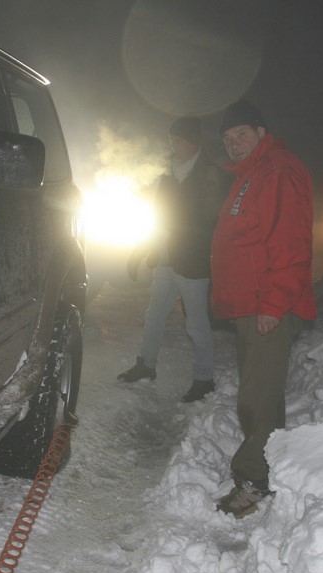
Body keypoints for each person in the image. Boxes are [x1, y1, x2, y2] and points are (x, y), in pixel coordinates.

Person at [210, 100, 316, 518]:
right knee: (263, 395)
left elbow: (289, 241)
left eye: (241, 134)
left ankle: (254, 480)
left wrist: (274, 302)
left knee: (257, 398)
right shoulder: (253, 173)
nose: (233, 143)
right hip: (251, 304)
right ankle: (270, 466)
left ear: (260, 132)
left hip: (266, 305)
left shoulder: (277, 171)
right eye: (227, 138)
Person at [118, 116, 232, 403]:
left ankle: (204, 378)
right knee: (154, 313)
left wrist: (208, 256)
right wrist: (141, 248)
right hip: (165, 258)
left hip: (192, 263)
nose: (174, 145)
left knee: (196, 323)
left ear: (193, 141)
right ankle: (146, 364)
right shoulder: (168, 174)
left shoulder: (210, 174)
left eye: (179, 140)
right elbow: (158, 215)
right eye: (172, 140)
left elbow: (214, 222)